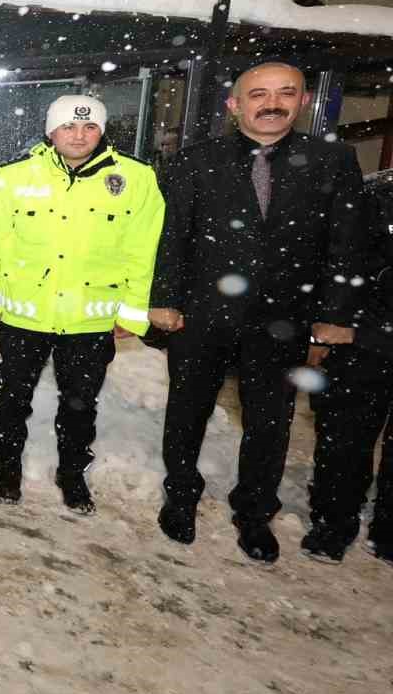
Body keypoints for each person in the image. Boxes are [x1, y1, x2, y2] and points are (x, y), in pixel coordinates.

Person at [151, 61, 365, 563]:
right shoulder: (195, 161)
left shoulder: (332, 161)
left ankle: (254, 513)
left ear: (303, 101)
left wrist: (334, 316)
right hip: (201, 315)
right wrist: (164, 300)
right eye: (258, 94)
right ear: (235, 104)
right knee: (187, 412)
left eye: (285, 93)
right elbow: (171, 238)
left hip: (282, 318)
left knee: (271, 422)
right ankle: (180, 496)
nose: (271, 104)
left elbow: (347, 243)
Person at [0, 95, 164, 513]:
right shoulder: (12, 178)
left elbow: (142, 250)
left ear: (101, 130)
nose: (79, 136)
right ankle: (8, 465)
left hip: (89, 319)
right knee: (12, 400)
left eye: (89, 127)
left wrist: (132, 311)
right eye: (68, 127)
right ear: (50, 131)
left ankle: (72, 472)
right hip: (25, 313)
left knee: (80, 405)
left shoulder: (135, 179)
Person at [300, 169, 393, 565]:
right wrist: (323, 329)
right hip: (359, 339)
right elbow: (335, 262)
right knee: (344, 435)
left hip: (367, 334)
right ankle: (334, 521)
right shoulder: (371, 193)